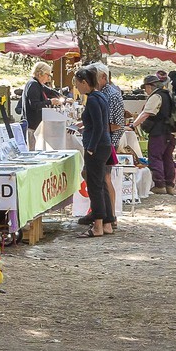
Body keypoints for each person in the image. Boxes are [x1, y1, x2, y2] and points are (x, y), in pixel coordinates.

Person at [75, 67, 115, 236]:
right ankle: (107, 222)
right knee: (101, 184)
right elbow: (98, 122)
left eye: (77, 84)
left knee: (95, 186)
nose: (77, 88)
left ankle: (97, 225)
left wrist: (91, 147)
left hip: (97, 146)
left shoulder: (92, 99)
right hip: (104, 145)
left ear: (85, 83)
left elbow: (99, 125)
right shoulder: (101, 96)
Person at [129, 74, 176, 196]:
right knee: (168, 158)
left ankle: (160, 185)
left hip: (159, 132)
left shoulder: (156, 96)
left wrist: (133, 125)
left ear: (149, 86)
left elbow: (146, 113)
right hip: (171, 132)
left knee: (155, 157)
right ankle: (170, 185)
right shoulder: (168, 95)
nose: (145, 91)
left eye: (145, 88)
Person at [22, 62, 60, 149]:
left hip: (36, 125)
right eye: (48, 75)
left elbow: (50, 92)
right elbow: (34, 105)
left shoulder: (38, 84)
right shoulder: (33, 84)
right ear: (41, 73)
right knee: (33, 151)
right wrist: (50, 102)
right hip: (32, 126)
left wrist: (64, 98)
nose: (48, 78)